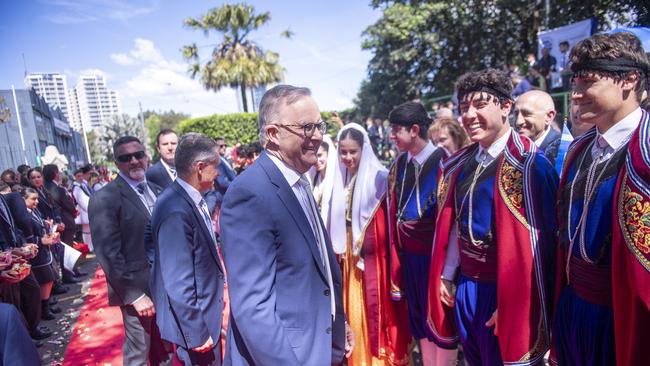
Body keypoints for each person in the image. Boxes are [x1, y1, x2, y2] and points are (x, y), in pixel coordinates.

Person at [428, 68, 558, 365]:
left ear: (506, 107)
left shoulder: (530, 166)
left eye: (480, 105)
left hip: (505, 296)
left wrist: (514, 305)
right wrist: (448, 275)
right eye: (464, 108)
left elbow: (545, 248)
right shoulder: (459, 164)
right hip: (466, 287)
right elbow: (453, 225)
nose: (470, 115)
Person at [220, 85, 350, 365]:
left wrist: (339, 322)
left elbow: (319, 269)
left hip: (320, 345)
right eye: (306, 128)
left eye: (319, 126)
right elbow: (254, 307)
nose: (318, 136)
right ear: (273, 134)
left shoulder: (299, 179)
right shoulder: (250, 193)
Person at [552, 32, 650, 366]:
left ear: (629, 80)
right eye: (574, 82)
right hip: (572, 310)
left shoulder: (646, 152)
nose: (575, 95)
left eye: (588, 82)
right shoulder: (579, 149)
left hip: (624, 321)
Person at [327, 123, 410, 366]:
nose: (348, 157)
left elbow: (385, 226)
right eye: (343, 152)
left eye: (353, 151)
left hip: (372, 259)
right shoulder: (340, 181)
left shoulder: (380, 180)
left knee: (371, 309)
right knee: (352, 310)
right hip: (347, 259)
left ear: (364, 150)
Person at [384, 102, 458, 365]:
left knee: (441, 323)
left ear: (414, 130)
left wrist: (448, 272)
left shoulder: (445, 163)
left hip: (435, 261)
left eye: (395, 130)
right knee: (419, 322)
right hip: (410, 259)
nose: (391, 136)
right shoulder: (398, 165)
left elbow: (453, 221)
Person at [89, 136, 171, 366]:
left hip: (166, 285)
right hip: (138, 291)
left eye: (138, 155)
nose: (134, 161)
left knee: (165, 349)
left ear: (146, 157)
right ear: (117, 163)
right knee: (139, 354)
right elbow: (108, 254)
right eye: (126, 158)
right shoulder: (104, 198)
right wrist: (134, 295)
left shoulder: (158, 190)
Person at [149, 133, 226, 366]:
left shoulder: (183, 198)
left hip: (203, 311)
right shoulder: (176, 209)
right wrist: (196, 331)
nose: (219, 173)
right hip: (196, 323)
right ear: (200, 167)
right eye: (216, 166)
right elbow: (178, 281)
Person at [21, 188, 61, 321]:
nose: (36, 202)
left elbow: (40, 227)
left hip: (44, 250)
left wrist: (48, 229)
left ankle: (46, 306)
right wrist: (42, 240)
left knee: (49, 280)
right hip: (37, 253)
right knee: (46, 280)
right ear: (23, 199)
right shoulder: (23, 215)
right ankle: (44, 310)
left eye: (37, 198)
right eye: (33, 199)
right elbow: (26, 237)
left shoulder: (33, 211)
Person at [513, 90, 562, 164]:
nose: (518, 122)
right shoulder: (513, 149)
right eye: (516, 114)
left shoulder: (562, 151)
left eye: (526, 113)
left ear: (549, 116)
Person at [308, 135, 337, 221]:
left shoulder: (336, 180)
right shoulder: (314, 177)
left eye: (320, 155)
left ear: (329, 154)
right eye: (313, 155)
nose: (316, 160)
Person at [72, 167, 92, 251]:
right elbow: (81, 201)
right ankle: (89, 247)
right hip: (84, 211)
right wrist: (91, 209)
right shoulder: (76, 188)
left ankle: (90, 246)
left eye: (81, 175)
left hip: (87, 210)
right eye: (78, 176)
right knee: (87, 231)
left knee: (89, 231)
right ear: (75, 177)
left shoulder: (83, 185)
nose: (80, 177)